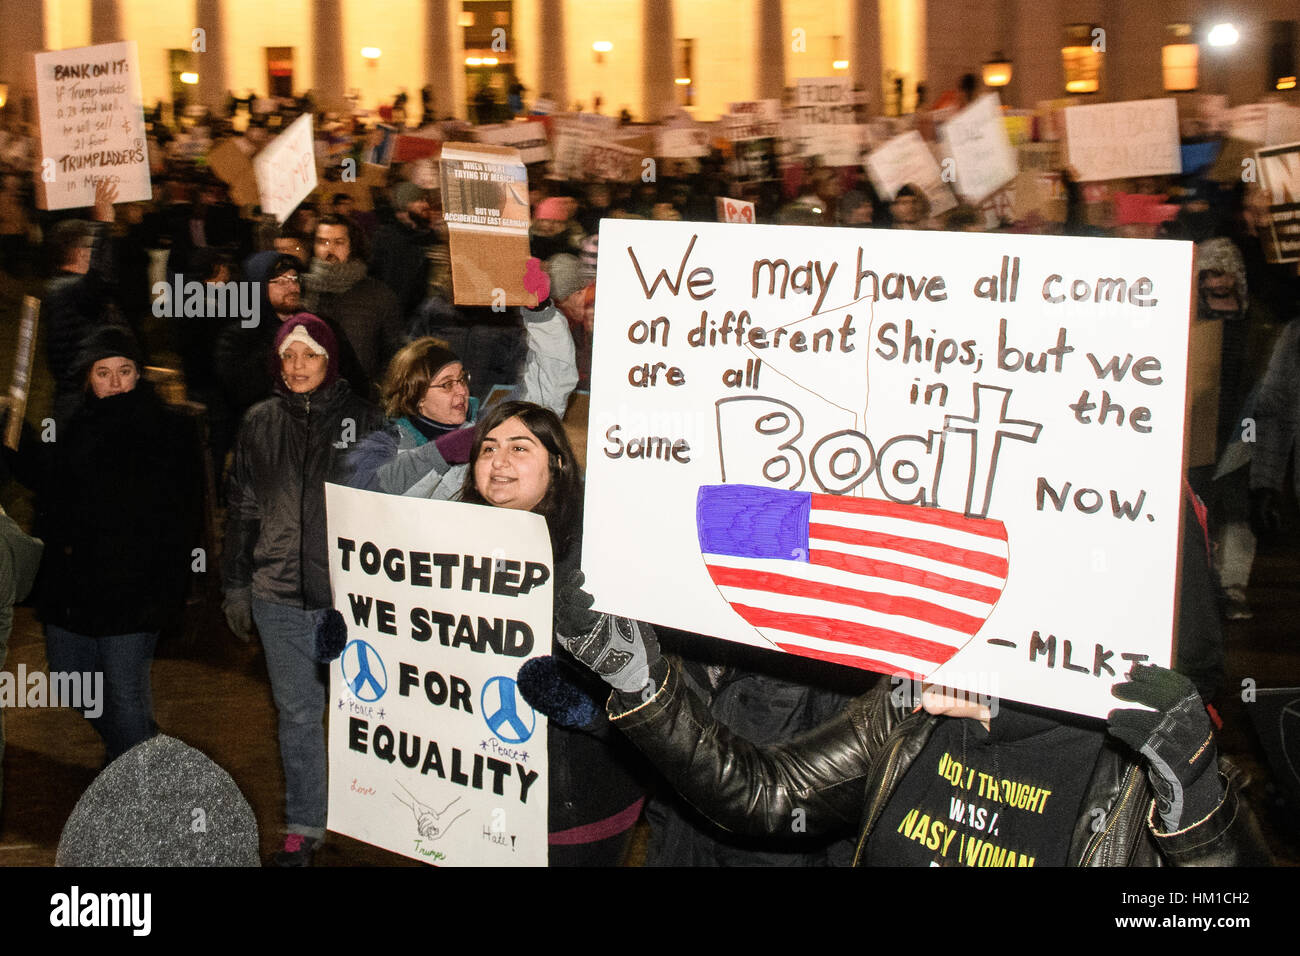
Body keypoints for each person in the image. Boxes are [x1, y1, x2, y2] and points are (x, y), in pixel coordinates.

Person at [550, 578, 1272, 866]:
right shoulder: (914, 707)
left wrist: (1200, 808)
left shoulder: (1143, 770)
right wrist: (641, 683)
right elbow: (767, 797)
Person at [221, 314, 384, 865]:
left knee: (365, 715)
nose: (297, 366)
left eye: (309, 355)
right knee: (296, 718)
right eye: (288, 355)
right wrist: (237, 584)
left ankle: (371, 816)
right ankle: (304, 824)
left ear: (330, 360)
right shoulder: (258, 422)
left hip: (349, 604)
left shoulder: (364, 422)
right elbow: (241, 509)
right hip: (278, 598)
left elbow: (391, 512)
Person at [457, 401, 648, 865]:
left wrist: (589, 713)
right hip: (472, 796)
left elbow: (653, 687)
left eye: (519, 448)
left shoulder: (599, 555)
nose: (499, 462)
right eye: (488, 449)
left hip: (576, 804)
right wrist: (362, 630)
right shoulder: (447, 543)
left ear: (557, 465)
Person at [11, 327, 196, 765]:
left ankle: (136, 792)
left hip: (133, 592)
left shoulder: (166, 429)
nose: (114, 383)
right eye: (103, 372)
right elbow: (51, 483)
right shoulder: (75, 421)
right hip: (74, 589)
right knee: (72, 679)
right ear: (88, 377)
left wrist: (170, 587)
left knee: (124, 693)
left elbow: (183, 515)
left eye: (124, 371)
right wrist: (15, 437)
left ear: (139, 374)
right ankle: (140, 749)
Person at [345, 269, 576, 501]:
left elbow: (547, 388)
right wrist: (441, 453)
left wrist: (541, 313)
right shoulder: (384, 444)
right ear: (417, 396)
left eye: (462, 379)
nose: (461, 390)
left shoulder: (488, 427)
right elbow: (368, 496)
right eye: (446, 385)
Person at [303, 213, 405, 387]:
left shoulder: (377, 294)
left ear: (352, 246)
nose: (329, 249)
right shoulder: (302, 289)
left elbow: (394, 351)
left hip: (361, 395)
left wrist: (377, 390)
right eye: (322, 242)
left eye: (338, 242)